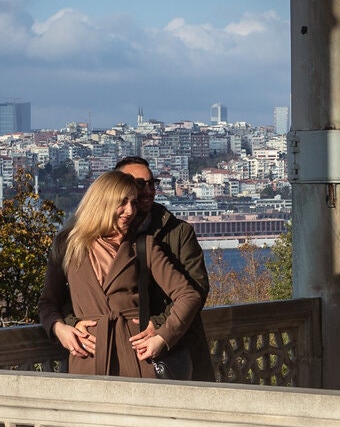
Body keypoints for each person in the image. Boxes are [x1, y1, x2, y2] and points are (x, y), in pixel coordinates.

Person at [39, 169, 202, 379]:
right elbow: (48, 302)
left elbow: (189, 295)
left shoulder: (144, 246)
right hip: (87, 357)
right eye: (122, 202)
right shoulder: (68, 245)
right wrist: (59, 328)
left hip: (138, 357)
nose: (130, 211)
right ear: (101, 202)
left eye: (133, 202)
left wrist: (162, 337)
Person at [114, 156, 215, 382]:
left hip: (176, 352)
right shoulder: (103, 239)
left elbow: (197, 291)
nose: (149, 190)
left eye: (152, 183)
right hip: (121, 352)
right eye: (140, 184)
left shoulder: (179, 233)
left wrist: (159, 324)